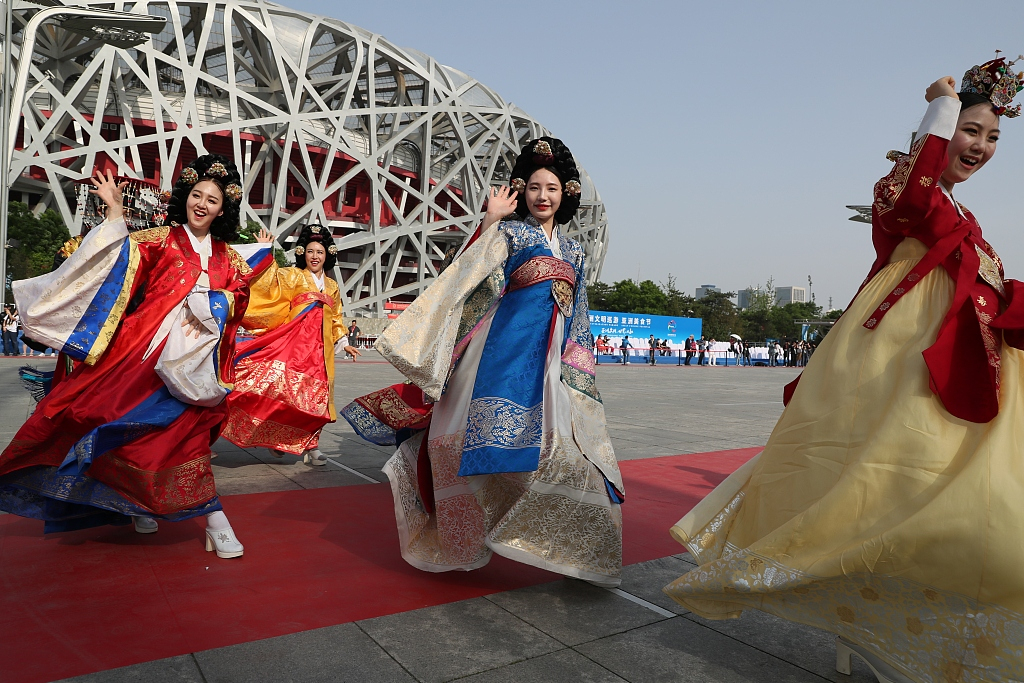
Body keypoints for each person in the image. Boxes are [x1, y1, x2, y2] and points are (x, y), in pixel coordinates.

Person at [665, 60, 1024, 683]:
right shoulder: (901, 195)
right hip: (900, 356)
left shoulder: (968, 222)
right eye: (971, 130)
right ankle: (868, 618)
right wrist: (935, 110)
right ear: (942, 130)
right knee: (889, 484)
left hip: (948, 356)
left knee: (933, 493)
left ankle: (889, 619)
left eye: (993, 137)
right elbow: (912, 190)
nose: (981, 146)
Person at [341, 137, 624, 586]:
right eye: (533, 187)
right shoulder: (510, 234)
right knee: (462, 445)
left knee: (572, 451)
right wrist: (488, 221)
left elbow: (581, 313)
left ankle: (569, 549)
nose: (542, 196)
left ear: (566, 194)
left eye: (551, 187)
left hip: (554, 365)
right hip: (500, 359)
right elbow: (463, 278)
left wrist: (580, 369)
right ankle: (468, 539)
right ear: (521, 191)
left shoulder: (575, 252)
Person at [0, 156, 265, 558]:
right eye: (196, 194)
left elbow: (240, 298)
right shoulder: (158, 240)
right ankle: (136, 502)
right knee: (116, 427)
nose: (202, 204)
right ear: (184, 198)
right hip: (140, 359)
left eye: (212, 200)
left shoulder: (230, 259)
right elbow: (113, 266)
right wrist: (115, 211)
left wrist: (215, 302)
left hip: (194, 365)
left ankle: (215, 519)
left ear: (222, 209)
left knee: (188, 438)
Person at [220, 224, 361, 465]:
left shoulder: (333, 287)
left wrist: (344, 341)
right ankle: (276, 439)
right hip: (293, 349)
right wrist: (266, 249)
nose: (315, 256)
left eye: (319, 252)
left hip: (320, 355)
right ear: (302, 254)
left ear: (327, 255)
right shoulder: (294, 276)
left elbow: (336, 317)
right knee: (282, 394)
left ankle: (312, 446)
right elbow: (269, 283)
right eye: (310, 251)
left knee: (316, 401)